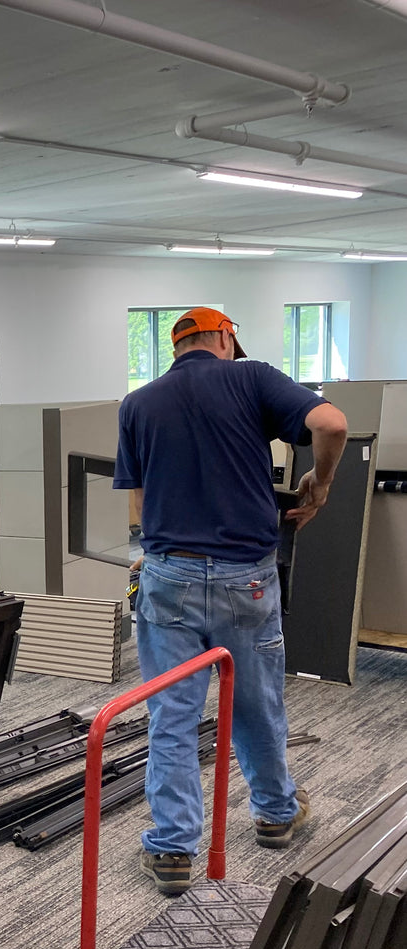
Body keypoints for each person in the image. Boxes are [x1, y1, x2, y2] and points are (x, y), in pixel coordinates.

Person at [114, 309, 348, 897]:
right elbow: (332, 423)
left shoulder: (137, 403)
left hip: (169, 574)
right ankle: (274, 815)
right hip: (247, 577)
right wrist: (321, 484)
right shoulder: (252, 377)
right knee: (255, 702)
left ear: (175, 347)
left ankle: (172, 849)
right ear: (225, 338)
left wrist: (154, 554)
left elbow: (138, 501)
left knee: (172, 715)